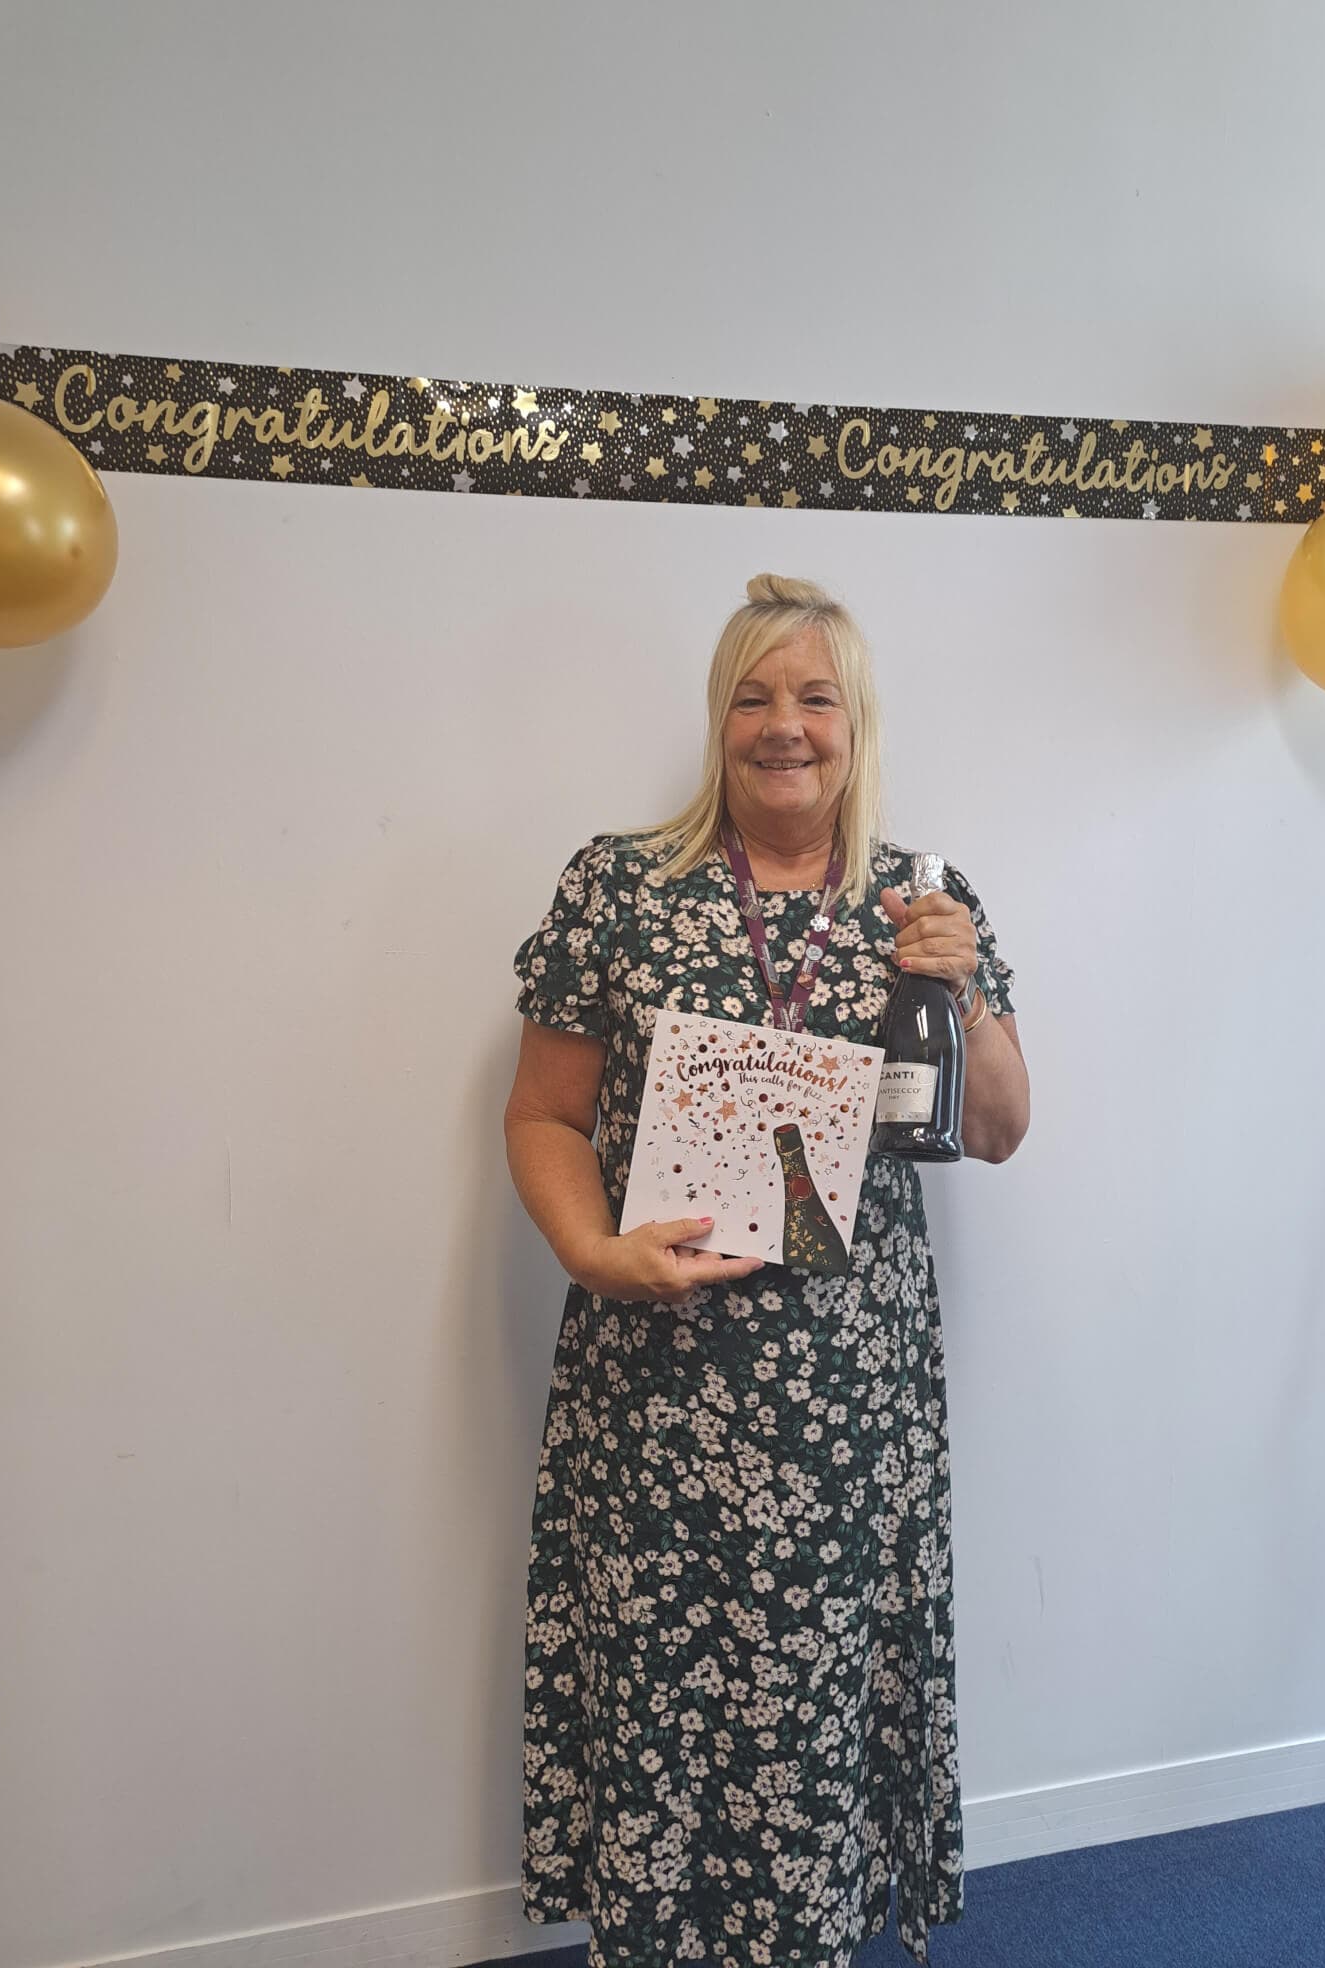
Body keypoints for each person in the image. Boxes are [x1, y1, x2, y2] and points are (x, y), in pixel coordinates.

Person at [505, 571, 1030, 1968]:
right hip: (658, 1375)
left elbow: (997, 1130)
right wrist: (590, 1251)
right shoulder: (619, 888)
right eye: (752, 697)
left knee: (819, 1695)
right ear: (717, 721)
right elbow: (544, 1117)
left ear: (858, 724)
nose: (782, 725)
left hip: (847, 1398)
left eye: (814, 698)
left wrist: (966, 990)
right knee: (662, 1686)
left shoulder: (925, 904)